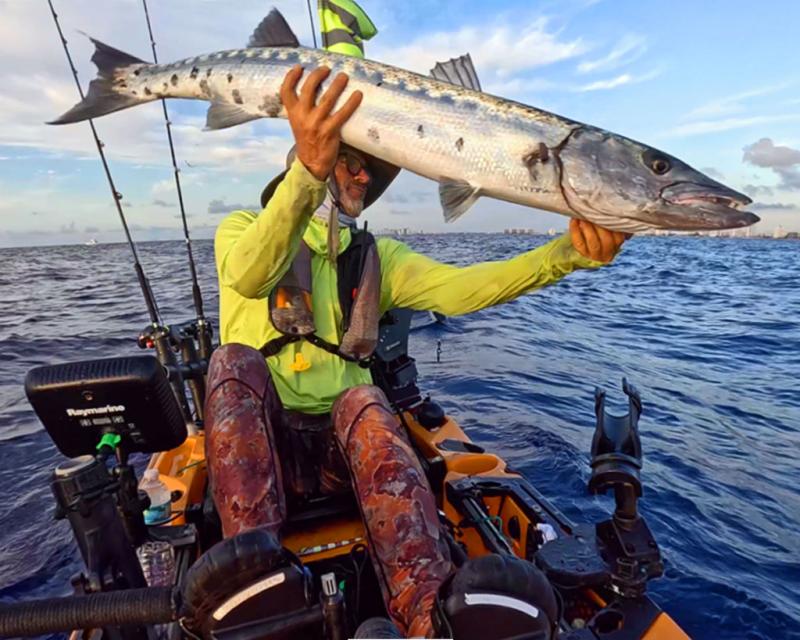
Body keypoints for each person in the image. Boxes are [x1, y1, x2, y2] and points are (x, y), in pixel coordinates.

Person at [206, 65, 628, 638]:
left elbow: (466, 288)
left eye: (372, 173)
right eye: (348, 158)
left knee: (365, 399)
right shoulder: (240, 228)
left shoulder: (382, 259)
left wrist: (567, 254)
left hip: (339, 451)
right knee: (233, 363)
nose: (359, 176)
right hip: (262, 446)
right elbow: (250, 275)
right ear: (311, 150)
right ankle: (257, 594)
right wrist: (308, 174)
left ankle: (428, 620)